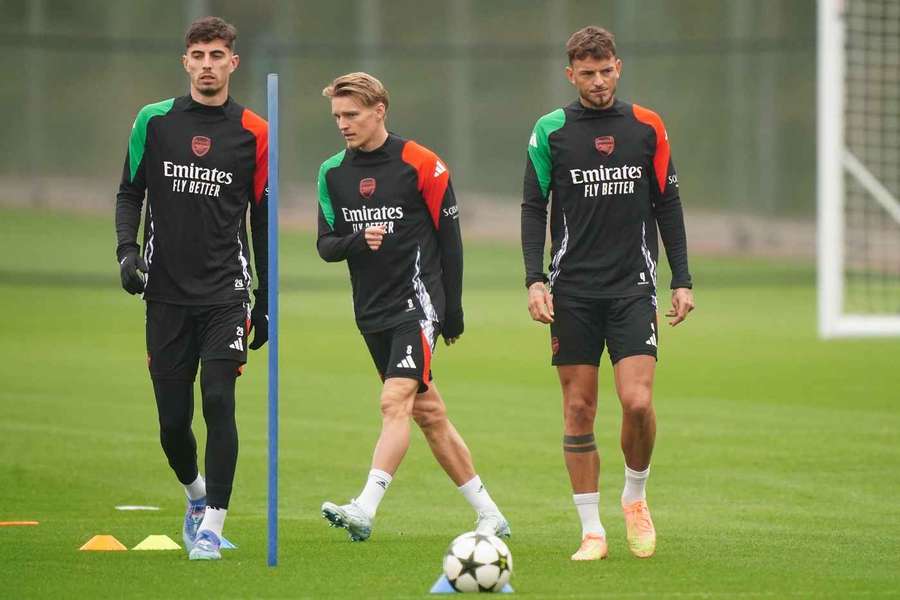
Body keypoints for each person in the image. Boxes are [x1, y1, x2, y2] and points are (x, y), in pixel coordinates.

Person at [521, 26, 694, 561]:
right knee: (578, 409)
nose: (597, 82)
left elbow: (668, 203)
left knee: (638, 403)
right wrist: (534, 277)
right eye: (586, 73)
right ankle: (591, 530)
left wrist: (682, 278)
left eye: (605, 71)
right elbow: (533, 206)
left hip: (632, 287)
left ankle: (635, 498)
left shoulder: (647, 126)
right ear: (570, 74)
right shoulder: (550, 131)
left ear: (618, 67)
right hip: (571, 290)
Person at [315, 72, 509, 542]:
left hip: (418, 304)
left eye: (352, 114)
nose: (343, 124)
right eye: (338, 116)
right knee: (430, 415)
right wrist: (359, 241)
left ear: (379, 110)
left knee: (393, 401)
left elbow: (452, 243)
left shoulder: (421, 164)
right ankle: (490, 515)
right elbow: (325, 245)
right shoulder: (332, 173)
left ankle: (365, 507)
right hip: (371, 312)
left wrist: (453, 311)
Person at [115, 16, 268, 561]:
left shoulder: (254, 129)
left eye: (217, 55)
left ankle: (213, 528)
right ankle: (197, 498)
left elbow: (262, 219)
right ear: (186, 62)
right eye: (198, 55)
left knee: (220, 400)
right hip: (166, 295)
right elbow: (130, 193)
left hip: (226, 293)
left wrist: (265, 301)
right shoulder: (153, 122)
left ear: (234, 62)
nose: (207, 65)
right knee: (173, 425)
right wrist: (127, 252)